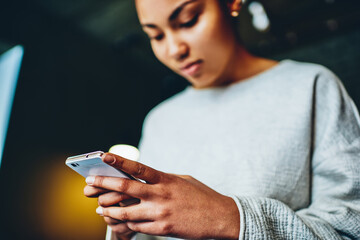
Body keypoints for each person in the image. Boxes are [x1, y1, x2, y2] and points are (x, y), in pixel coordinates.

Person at [84, 0, 360, 239]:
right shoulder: (159, 121)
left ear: (231, 3)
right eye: (156, 36)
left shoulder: (310, 85)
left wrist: (228, 217)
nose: (174, 50)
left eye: (188, 21)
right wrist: (127, 230)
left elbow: (350, 227)